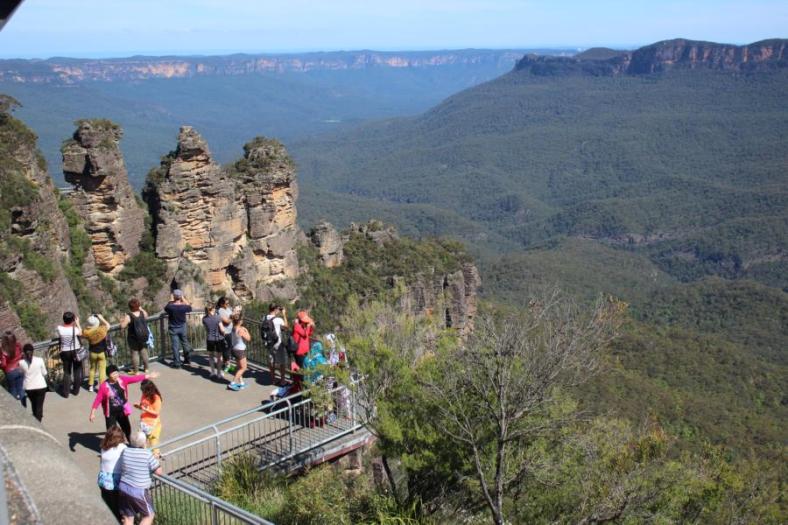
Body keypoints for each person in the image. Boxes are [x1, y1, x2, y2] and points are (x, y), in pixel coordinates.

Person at [90, 364, 159, 442]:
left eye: (117, 373)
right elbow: (98, 399)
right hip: (110, 413)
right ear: (108, 375)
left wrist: (148, 376)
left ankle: (130, 442)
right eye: (113, 374)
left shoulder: (122, 379)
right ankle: (113, 447)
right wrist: (93, 412)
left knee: (127, 428)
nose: (116, 375)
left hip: (122, 411)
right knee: (112, 433)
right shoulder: (103, 386)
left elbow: (134, 378)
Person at [118, 431, 162, 525]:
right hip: (138, 490)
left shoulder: (125, 451)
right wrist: (156, 459)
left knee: (128, 517)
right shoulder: (147, 454)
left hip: (124, 487)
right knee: (149, 515)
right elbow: (159, 472)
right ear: (144, 442)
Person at [97, 425, 127, 521]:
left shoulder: (103, 447)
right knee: (117, 509)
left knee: (107, 505)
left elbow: (101, 462)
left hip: (103, 479)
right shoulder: (122, 447)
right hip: (114, 482)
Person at [119, 298, 150, 374]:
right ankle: (146, 368)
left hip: (133, 337)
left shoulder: (129, 316)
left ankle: (136, 371)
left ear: (130, 307)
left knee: (135, 353)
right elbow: (146, 317)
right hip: (143, 336)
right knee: (144, 352)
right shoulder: (143, 313)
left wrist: (121, 321)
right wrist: (140, 308)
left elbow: (123, 326)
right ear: (138, 306)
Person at [57, 311, 83, 398]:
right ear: (73, 320)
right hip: (76, 351)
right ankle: (76, 391)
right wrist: (78, 323)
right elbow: (81, 333)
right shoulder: (75, 329)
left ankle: (66, 392)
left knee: (67, 372)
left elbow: (63, 326)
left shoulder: (59, 328)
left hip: (65, 352)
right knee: (77, 370)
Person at [164, 289, 192, 368]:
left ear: (174, 296)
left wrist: (171, 299)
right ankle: (187, 360)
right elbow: (189, 307)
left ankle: (177, 363)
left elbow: (166, 308)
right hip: (182, 327)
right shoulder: (183, 306)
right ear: (180, 297)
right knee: (185, 343)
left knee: (175, 346)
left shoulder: (170, 307)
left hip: (173, 328)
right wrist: (183, 298)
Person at [19, 343, 47, 421]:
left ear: (24, 352)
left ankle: (35, 417)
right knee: (39, 406)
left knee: (33, 403)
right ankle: (38, 420)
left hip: (29, 387)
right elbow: (44, 373)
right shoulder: (40, 360)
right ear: (33, 351)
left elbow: (21, 373)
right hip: (41, 386)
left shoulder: (21, 362)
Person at [83, 314, 111, 393]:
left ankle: (91, 386)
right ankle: (102, 387)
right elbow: (108, 325)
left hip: (93, 352)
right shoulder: (101, 329)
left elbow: (82, 332)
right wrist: (102, 318)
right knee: (102, 370)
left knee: (92, 369)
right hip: (102, 352)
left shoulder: (87, 332)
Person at [135, 379, 163, 456]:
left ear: (149, 389)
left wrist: (145, 409)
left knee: (154, 444)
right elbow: (143, 405)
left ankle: (155, 459)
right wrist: (139, 406)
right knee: (141, 442)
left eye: (144, 390)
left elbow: (156, 413)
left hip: (153, 424)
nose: (143, 392)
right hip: (143, 422)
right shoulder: (144, 394)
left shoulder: (156, 398)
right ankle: (144, 457)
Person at [263, 304, 289, 386]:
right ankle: (282, 381)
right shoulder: (278, 319)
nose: (279, 311)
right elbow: (286, 327)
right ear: (275, 310)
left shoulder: (264, 318)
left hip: (268, 342)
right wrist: (284, 314)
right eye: (278, 309)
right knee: (282, 362)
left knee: (271, 361)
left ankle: (273, 379)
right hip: (278, 343)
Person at [0, 331, 25, 407]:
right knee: (21, 388)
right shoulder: (18, 345)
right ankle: (24, 407)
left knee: (12, 390)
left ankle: (14, 408)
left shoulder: (3, 350)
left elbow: (4, 364)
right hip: (20, 368)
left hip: (10, 372)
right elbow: (22, 355)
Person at [228, 314, 251, 391]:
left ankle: (241, 383)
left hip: (234, 349)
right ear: (240, 321)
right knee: (243, 368)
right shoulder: (240, 330)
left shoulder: (233, 328)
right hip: (240, 351)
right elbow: (248, 338)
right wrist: (246, 331)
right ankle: (232, 383)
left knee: (239, 367)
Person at [202, 304, 224, 380]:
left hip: (209, 339)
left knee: (211, 356)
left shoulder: (204, 319)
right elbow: (222, 330)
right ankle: (219, 373)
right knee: (219, 357)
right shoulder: (218, 318)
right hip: (218, 339)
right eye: (214, 308)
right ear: (212, 309)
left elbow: (207, 329)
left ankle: (212, 372)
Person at [216, 296, 234, 373]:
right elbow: (227, 321)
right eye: (226, 303)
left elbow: (231, 317)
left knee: (228, 348)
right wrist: (233, 316)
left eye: (228, 303)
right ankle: (227, 365)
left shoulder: (228, 309)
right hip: (225, 333)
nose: (228, 304)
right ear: (221, 304)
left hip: (230, 332)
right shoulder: (220, 311)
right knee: (226, 349)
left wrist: (233, 315)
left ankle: (226, 363)